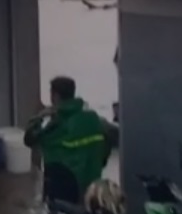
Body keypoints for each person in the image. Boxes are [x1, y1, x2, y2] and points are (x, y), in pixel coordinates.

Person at [24, 76, 116, 204]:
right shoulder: (93, 118)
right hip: (91, 190)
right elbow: (109, 141)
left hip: (64, 194)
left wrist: (39, 116)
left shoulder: (56, 125)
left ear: (55, 96)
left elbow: (29, 139)